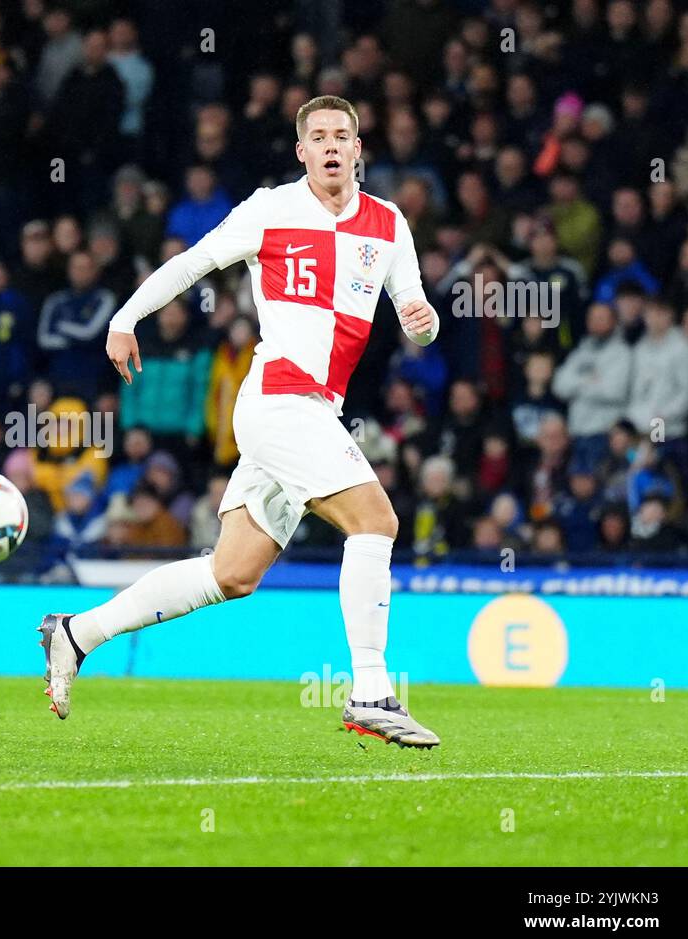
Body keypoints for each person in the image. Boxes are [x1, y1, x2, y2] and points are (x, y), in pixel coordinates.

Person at [39, 96, 443, 747]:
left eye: (344, 133)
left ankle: (76, 634)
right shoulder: (270, 209)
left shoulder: (388, 225)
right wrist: (124, 319)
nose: (333, 144)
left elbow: (415, 313)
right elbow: (190, 263)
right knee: (377, 521)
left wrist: (425, 324)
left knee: (232, 575)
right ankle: (371, 691)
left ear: (359, 148)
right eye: (319, 136)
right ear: (303, 151)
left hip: (317, 411)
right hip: (278, 402)